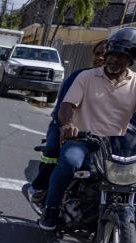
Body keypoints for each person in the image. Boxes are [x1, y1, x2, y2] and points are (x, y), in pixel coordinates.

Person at [39, 28, 136, 231]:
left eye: (121, 56)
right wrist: (68, 124)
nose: (113, 60)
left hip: (116, 145)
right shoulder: (86, 77)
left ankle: (124, 206)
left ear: (132, 59)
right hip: (83, 139)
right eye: (111, 54)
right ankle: (51, 208)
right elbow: (67, 106)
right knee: (69, 162)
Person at [29, 39, 106, 204]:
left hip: (99, 134)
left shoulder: (124, 84)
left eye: (105, 55)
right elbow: (62, 107)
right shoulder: (78, 76)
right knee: (52, 148)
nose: (101, 58)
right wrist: (66, 126)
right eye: (98, 54)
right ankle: (41, 187)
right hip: (68, 128)